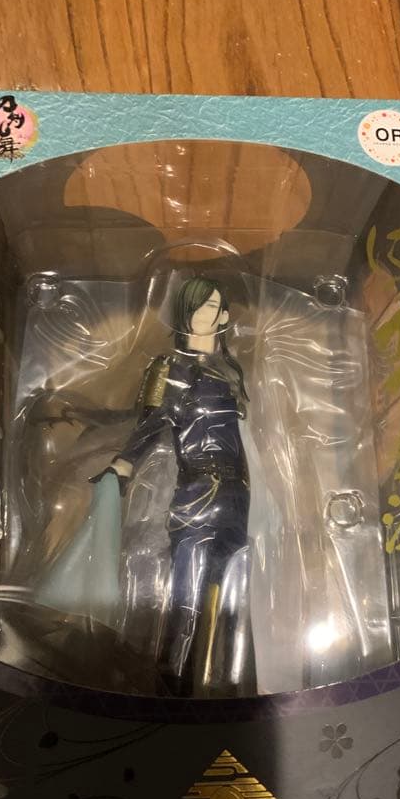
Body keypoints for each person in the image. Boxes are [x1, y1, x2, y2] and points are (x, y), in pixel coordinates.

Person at [99, 276, 254, 697]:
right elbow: (152, 423)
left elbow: (245, 438)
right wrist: (124, 463)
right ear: (185, 312)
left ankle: (220, 687)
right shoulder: (167, 368)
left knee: (229, 598)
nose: (209, 315)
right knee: (187, 595)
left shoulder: (231, 371)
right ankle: (171, 686)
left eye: (215, 306)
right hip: (196, 490)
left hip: (236, 494)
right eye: (201, 306)